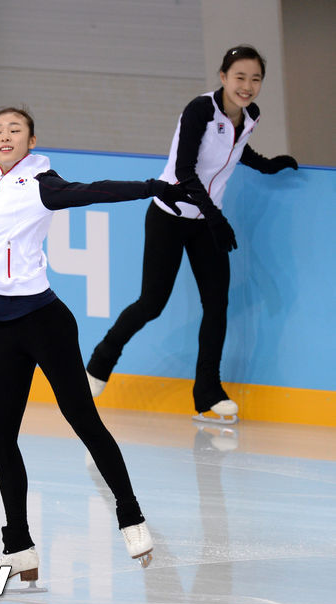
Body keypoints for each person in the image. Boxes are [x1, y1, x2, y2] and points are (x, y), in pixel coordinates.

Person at [0, 27, 197, 583]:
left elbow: (95, 190)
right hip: (2, 328)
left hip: (44, 323)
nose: (3, 135)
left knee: (83, 419)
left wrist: (152, 186)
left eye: (15, 130)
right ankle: (19, 545)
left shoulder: (42, 184)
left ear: (31, 141)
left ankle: (131, 515)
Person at [86, 45, 298, 425]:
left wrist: (267, 165)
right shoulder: (200, 110)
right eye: (240, 77)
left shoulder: (250, 115)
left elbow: (235, 149)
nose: (247, 86)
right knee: (152, 303)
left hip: (205, 222)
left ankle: (208, 393)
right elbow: (185, 169)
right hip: (169, 216)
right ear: (223, 77)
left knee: (216, 307)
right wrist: (215, 217)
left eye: (255, 79)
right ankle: (100, 363)